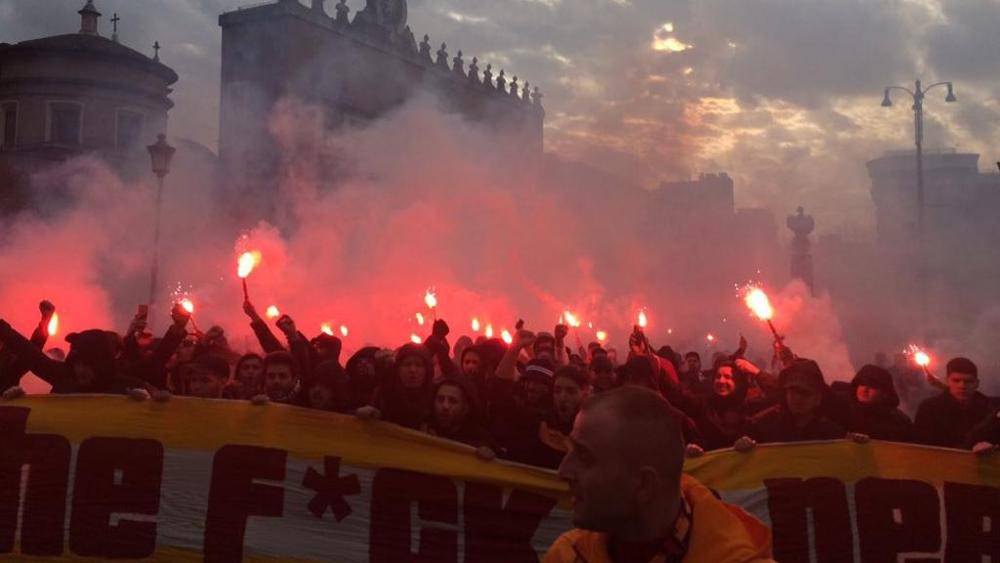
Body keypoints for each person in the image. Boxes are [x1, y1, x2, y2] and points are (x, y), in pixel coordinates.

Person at [545, 386, 775, 562]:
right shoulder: (567, 555)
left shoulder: (733, 557)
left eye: (585, 457)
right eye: (570, 450)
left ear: (644, 485)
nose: (563, 472)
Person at [741, 359, 844, 446]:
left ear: (818, 398)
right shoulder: (762, 426)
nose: (797, 398)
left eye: (804, 392)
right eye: (793, 391)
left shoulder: (832, 434)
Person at [913, 357, 995, 448]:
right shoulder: (929, 409)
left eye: (968, 381)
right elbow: (921, 447)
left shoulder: (989, 409)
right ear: (947, 381)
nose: (962, 386)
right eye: (956, 381)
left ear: (977, 383)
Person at [356, 343, 434, 429]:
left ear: (427, 371)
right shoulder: (384, 395)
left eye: (419, 365)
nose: (412, 370)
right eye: (407, 364)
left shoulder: (436, 398)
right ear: (398, 369)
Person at [843, 365, 912, 442]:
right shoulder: (843, 410)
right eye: (862, 384)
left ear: (884, 393)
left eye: (872, 386)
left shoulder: (898, 422)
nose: (865, 389)